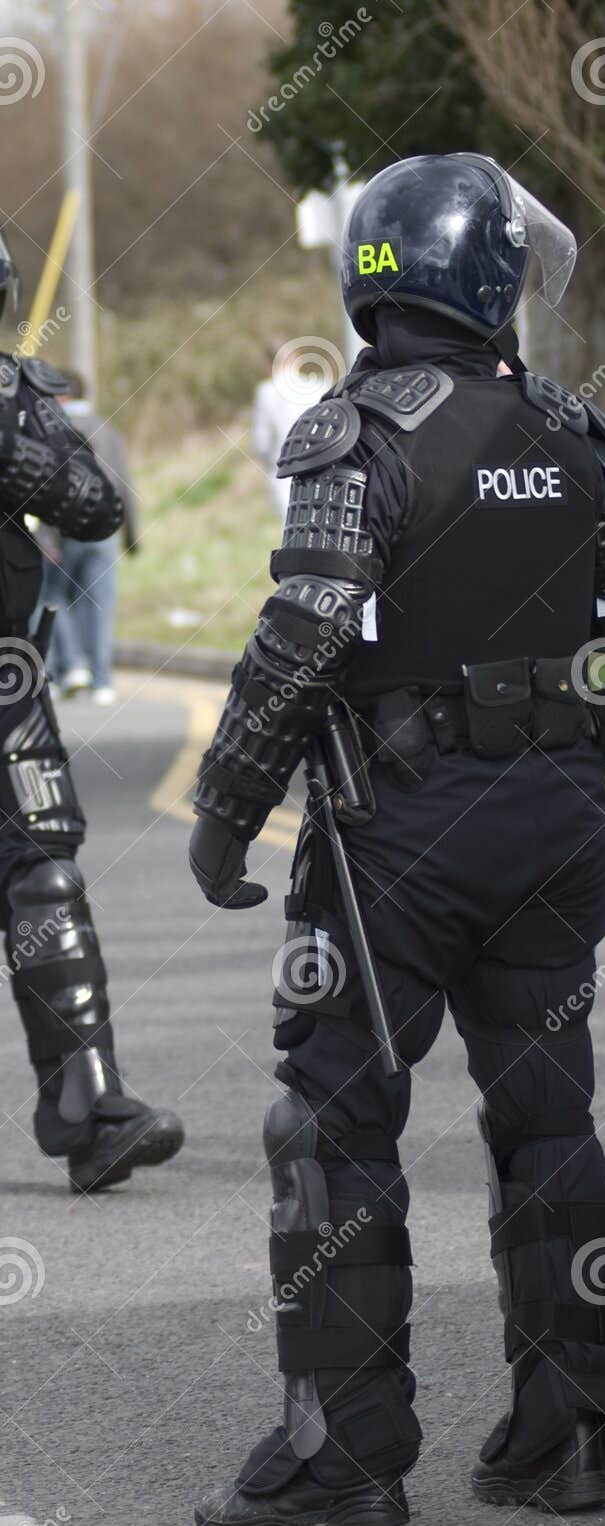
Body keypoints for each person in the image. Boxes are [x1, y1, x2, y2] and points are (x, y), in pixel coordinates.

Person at [188, 153, 605, 1526]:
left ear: (373, 272)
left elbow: (304, 632)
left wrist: (224, 805)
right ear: (493, 275)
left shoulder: (355, 435)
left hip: (398, 829)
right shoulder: (572, 429)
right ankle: (565, 1431)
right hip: (559, 816)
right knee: (547, 1117)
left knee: (329, 1127)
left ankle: (345, 1455)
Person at [0, 231, 184, 1194]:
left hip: (9, 687)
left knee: (46, 883)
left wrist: (21, 462)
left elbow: (101, 504)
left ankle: (90, 1105)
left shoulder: (12, 394)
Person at [42, 372, 138, 705]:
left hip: (65, 529)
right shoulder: (108, 429)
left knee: (52, 597)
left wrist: (47, 537)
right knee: (99, 605)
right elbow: (124, 482)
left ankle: (70, 666)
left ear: (59, 396)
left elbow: (47, 487)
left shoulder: (51, 429)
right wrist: (132, 535)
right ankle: (102, 681)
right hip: (105, 531)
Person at [251, 341, 326, 521]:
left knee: (293, 532)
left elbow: (261, 442)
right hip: (320, 465)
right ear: (296, 358)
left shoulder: (266, 391)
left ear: (269, 363)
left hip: (283, 470)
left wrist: (267, 462)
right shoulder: (318, 386)